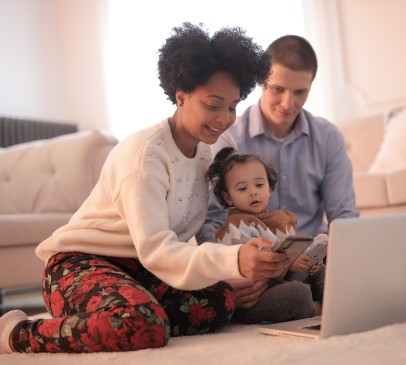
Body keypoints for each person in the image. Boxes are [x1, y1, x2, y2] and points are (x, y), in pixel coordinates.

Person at [0, 22, 292, 354]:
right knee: (140, 324)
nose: (225, 118)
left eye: (232, 106)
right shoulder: (145, 156)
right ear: (181, 96)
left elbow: (177, 244)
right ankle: (18, 332)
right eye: (214, 105)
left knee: (220, 299)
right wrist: (233, 260)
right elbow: (157, 249)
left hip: (142, 270)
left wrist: (229, 271)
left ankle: (116, 309)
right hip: (79, 265)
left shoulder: (202, 153)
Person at [197, 35, 359, 311]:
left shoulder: (327, 137)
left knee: (355, 285)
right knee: (295, 299)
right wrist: (230, 273)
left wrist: (348, 260)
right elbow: (210, 221)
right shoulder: (228, 138)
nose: (288, 103)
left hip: (314, 259)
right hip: (256, 265)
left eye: (300, 92)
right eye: (278, 89)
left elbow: (343, 217)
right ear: (261, 82)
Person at [206, 146, 325, 323]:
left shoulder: (280, 219)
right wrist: (288, 264)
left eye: (259, 185)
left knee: (325, 272)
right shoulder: (236, 227)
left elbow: (295, 252)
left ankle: (338, 302)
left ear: (269, 188)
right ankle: (318, 309)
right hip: (256, 298)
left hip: (287, 281)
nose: (253, 191)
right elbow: (256, 266)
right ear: (228, 197)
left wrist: (311, 261)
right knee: (298, 295)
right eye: (242, 188)